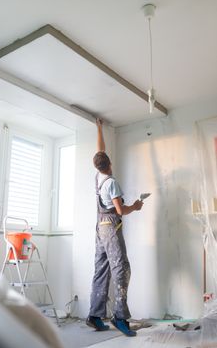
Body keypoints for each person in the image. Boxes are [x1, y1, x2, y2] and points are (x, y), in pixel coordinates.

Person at [86, 119, 143, 337]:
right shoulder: (111, 182)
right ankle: (120, 318)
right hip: (110, 228)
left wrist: (99, 128)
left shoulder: (98, 175)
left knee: (101, 269)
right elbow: (121, 211)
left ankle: (94, 315)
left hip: (99, 228)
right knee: (121, 269)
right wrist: (136, 206)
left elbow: (100, 149)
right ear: (109, 164)